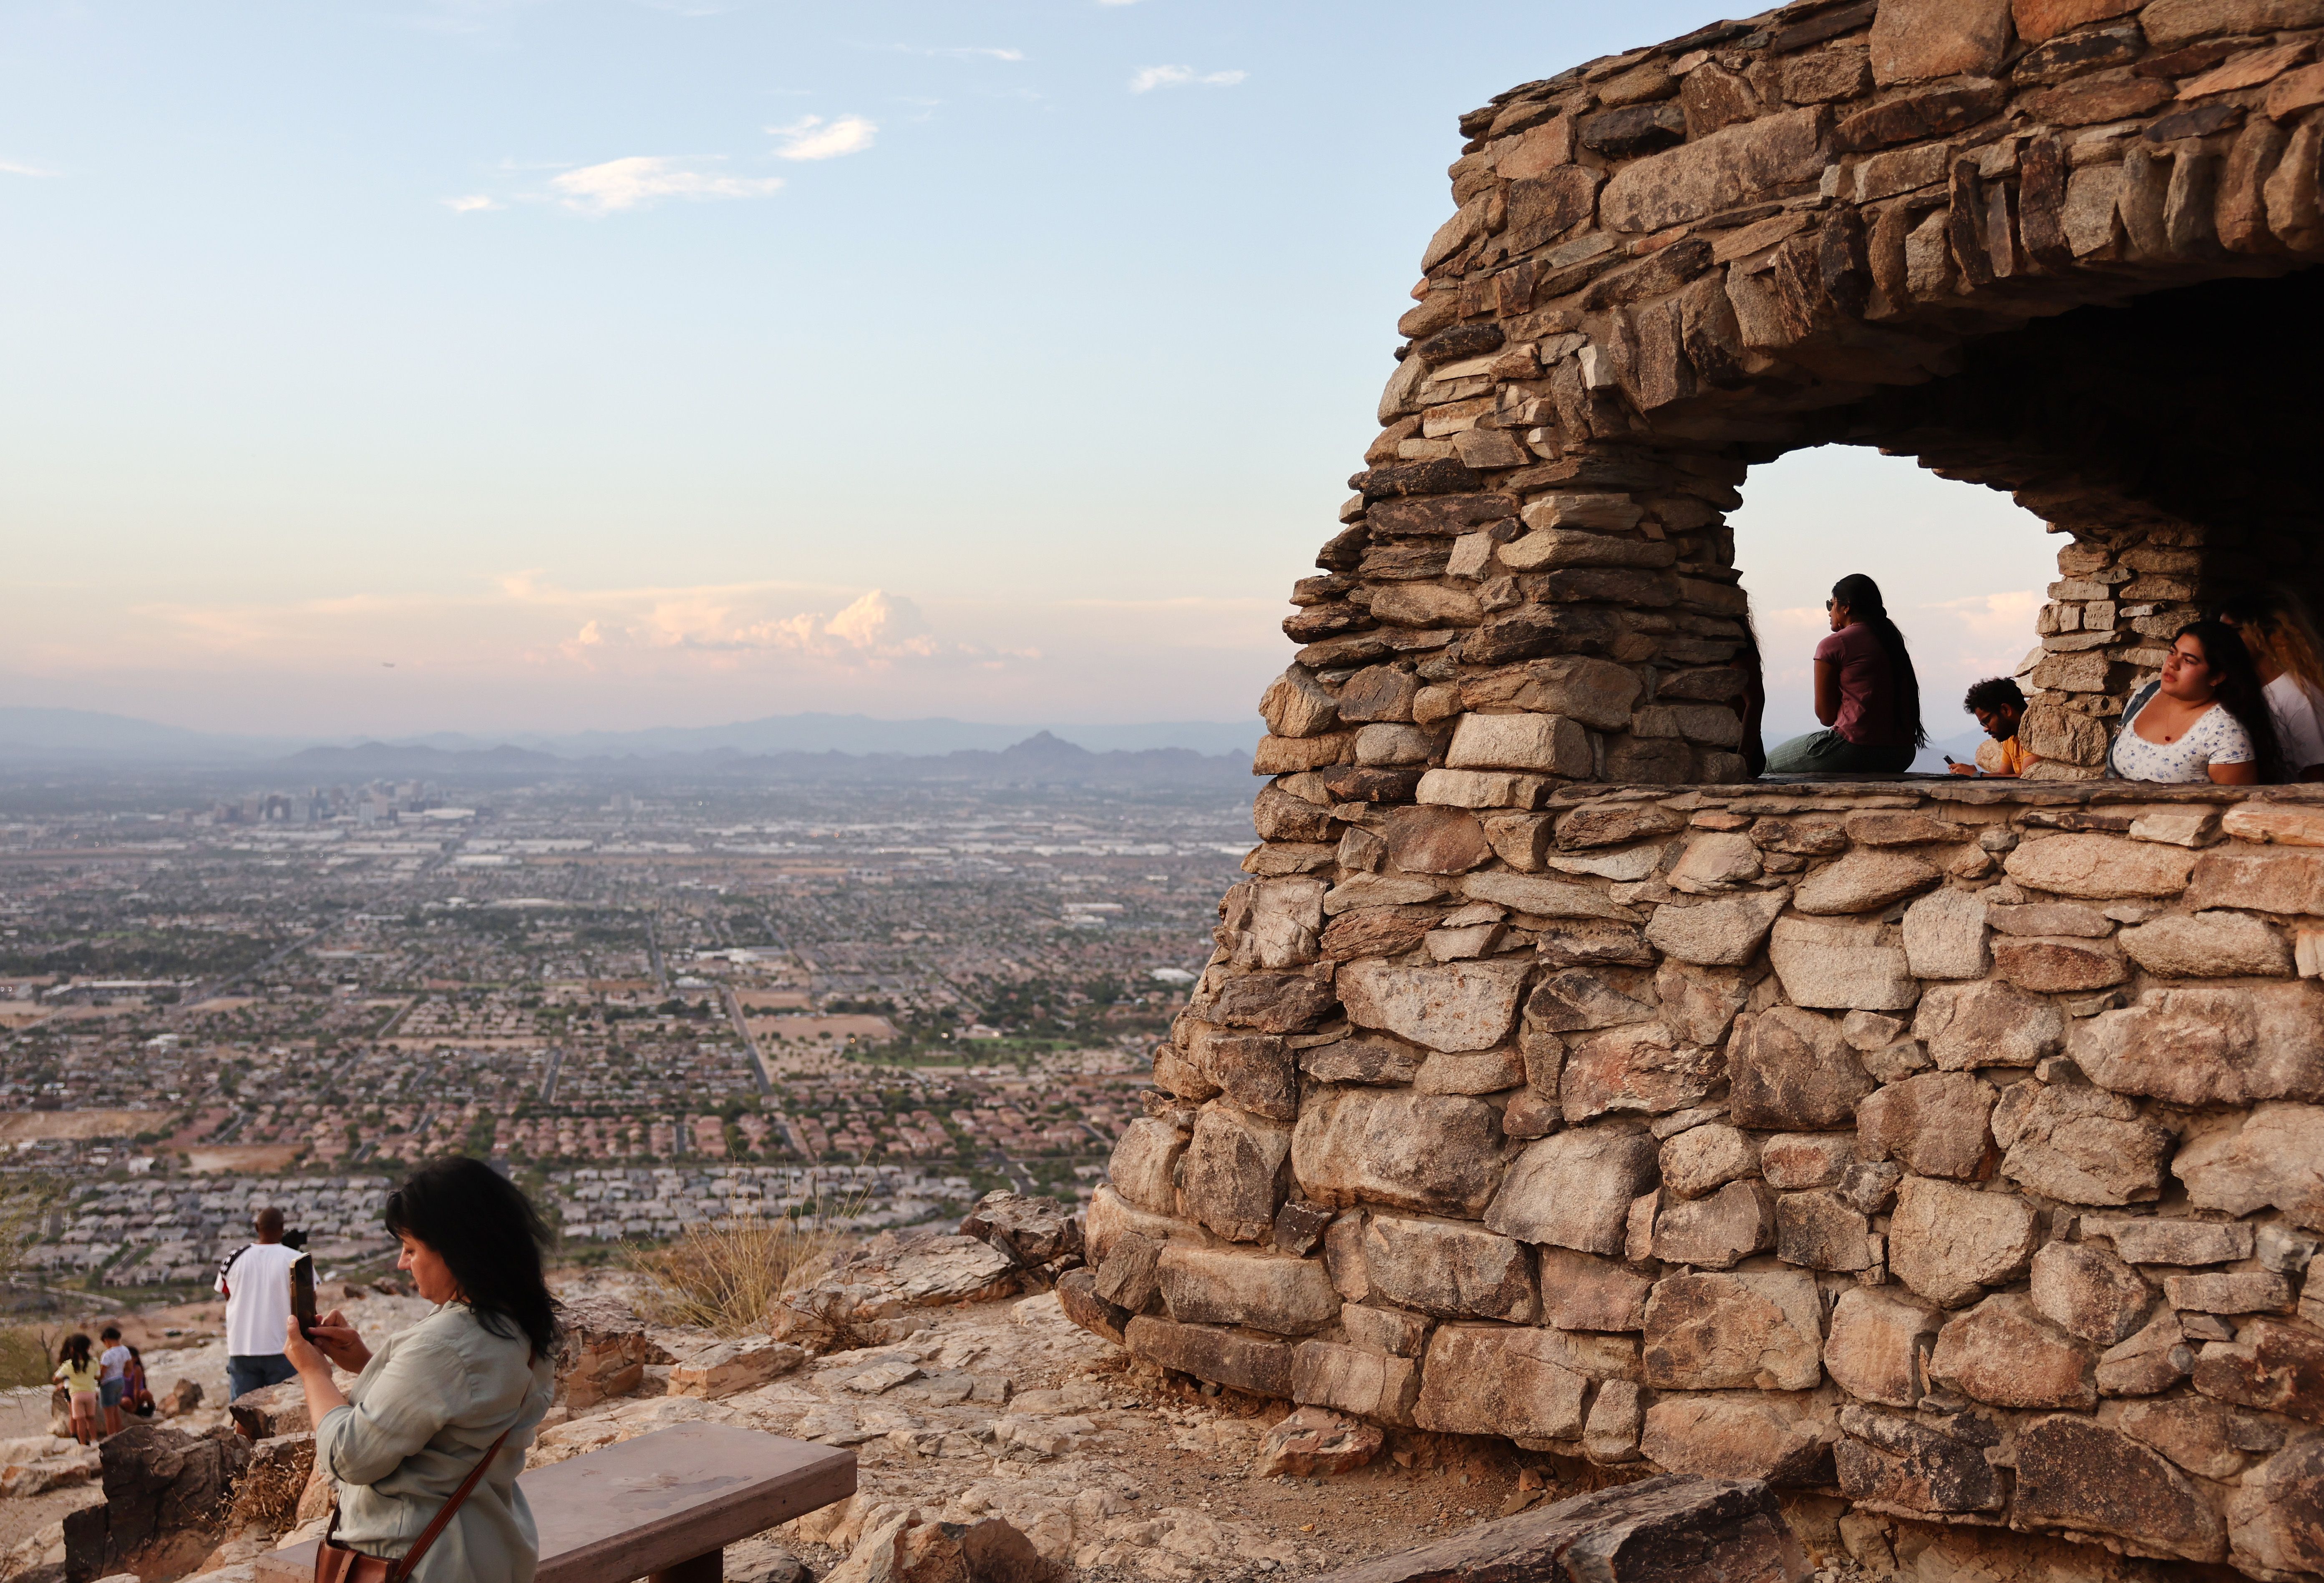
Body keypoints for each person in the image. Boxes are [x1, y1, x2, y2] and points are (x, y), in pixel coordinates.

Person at [285, 1157, 559, 1582]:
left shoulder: (445, 1344)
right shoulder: (520, 1322)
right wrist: (365, 1362)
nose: (402, 1263)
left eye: (411, 1249)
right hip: (491, 1547)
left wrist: (313, 1372)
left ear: (457, 1250)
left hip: (418, 1562)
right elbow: (460, 1405)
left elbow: (348, 1456)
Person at [1765, 573, 1926, 774]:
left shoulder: (1833, 645)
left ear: (1846, 606)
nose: (1830, 612)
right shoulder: (1891, 640)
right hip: (1902, 755)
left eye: (1831, 605)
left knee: (1770, 763)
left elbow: (1826, 717)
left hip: (1855, 750)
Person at [2108, 621, 2282, 784]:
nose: (2172, 664)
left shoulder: (2223, 733)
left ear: (2216, 677)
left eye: (2188, 660)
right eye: (2172, 652)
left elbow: (2237, 809)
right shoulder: (2145, 695)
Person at [2218, 591, 2324, 780]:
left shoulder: (2300, 697)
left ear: (2267, 634)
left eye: (2234, 631)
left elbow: (2317, 775)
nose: (2222, 640)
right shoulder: (2239, 686)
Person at [219, 1206, 307, 1401]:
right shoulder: (296, 1259)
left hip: (242, 1347)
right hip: (282, 1347)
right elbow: (308, 1303)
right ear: (282, 1227)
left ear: (256, 1227)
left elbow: (228, 1296)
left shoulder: (233, 1259)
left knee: (243, 1412)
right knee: (283, 1408)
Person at [1949, 677, 2040, 777]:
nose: (1986, 729)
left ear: (2006, 710)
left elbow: (2027, 778)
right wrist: (1971, 774)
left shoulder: (2036, 730)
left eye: (1987, 721)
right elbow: (2003, 775)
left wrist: (1977, 775)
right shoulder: (2010, 737)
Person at [53, 1334, 101, 1446]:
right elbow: (98, 1376)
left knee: (80, 1421)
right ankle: (94, 1440)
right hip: (90, 1394)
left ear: (73, 1349)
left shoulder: (69, 1364)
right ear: (88, 1348)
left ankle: (83, 1443)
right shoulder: (94, 1362)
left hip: (76, 1395)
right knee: (91, 1419)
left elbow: (56, 1378)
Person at [97, 1324, 130, 1436]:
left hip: (109, 1383)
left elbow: (102, 1372)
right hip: (120, 1380)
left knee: (108, 1414)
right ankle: (120, 1434)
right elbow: (129, 1367)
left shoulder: (108, 1355)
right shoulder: (125, 1350)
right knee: (116, 1410)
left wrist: (97, 1380)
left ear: (106, 1340)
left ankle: (111, 1437)